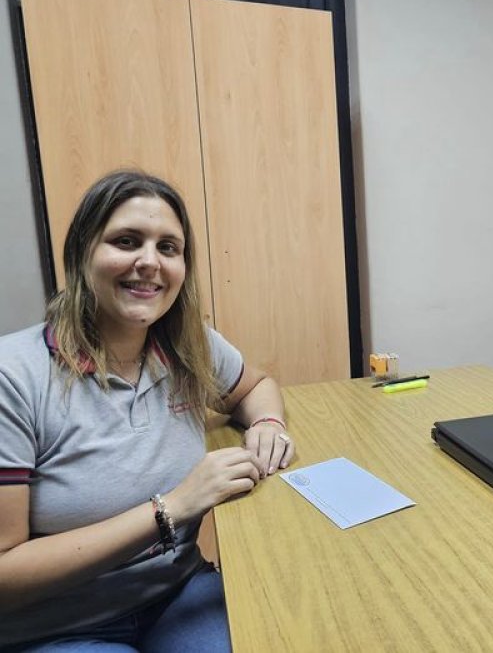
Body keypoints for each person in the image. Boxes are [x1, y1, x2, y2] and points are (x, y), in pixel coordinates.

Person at [0, 170, 296, 650]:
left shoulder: (185, 345)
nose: (148, 262)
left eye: (168, 248)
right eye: (126, 241)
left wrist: (267, 421)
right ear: (81, 254)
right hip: (57, 627)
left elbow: (255, 385)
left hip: (176, 594)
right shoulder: (12, 377)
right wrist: (172, 508)